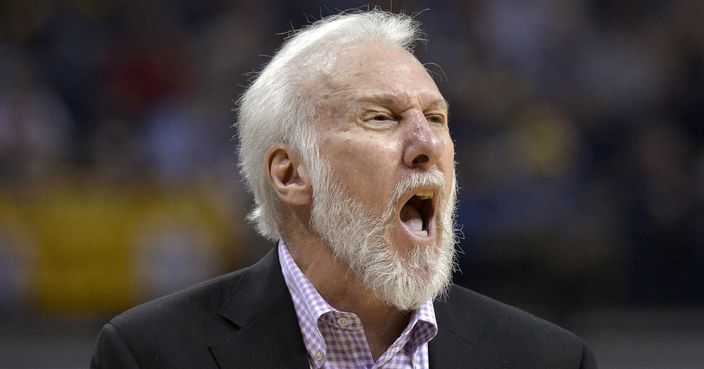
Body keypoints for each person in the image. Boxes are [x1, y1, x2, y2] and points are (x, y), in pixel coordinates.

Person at [91, 10, 597, 369]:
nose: (428, 144)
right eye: (382, 118)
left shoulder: (549, 359)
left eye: (437, 118)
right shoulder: (150, 354)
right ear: (290, 175)